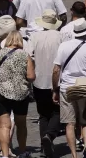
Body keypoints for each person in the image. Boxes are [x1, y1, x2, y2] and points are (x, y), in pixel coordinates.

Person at [53, 21, 86, 158]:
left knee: (69, 123)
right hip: (85, 87)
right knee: (85, 122)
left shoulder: (63, 46)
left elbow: (56, 70)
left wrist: (55, 89)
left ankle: (74, 155)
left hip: (67, 87)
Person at [0, 30, 35, 158]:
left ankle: (4, 154)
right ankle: (23, 151)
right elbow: (31, 76)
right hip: (21, 93)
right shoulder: (25, 55)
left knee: (4, 125)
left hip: (0, 92)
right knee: (21, 124)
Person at [30, 9, 63, 158]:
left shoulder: (34, 37)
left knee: (43, 114)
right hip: (57, 80)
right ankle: (49, 136)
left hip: (39, 80)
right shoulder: (61, 36)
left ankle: (44, 144)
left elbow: (29, 55)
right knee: (57, 111)